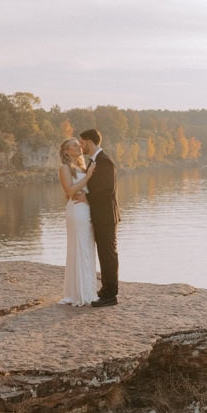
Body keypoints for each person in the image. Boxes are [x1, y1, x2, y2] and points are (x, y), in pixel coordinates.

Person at [79, 128, 120, 307]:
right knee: (104, 254)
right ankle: (105, 290)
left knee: (108, 255)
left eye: (82, 142)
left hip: (106, 216)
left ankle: (111, 295)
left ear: (89, 141)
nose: (81, 146)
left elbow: (107, 190)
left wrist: (86, 198)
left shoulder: (105, 161)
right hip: (98, 216)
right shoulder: (94, 161)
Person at [58, 138, 98, 306]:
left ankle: (88, 291)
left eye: (78, 143)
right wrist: (88, 176)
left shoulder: (84, 166)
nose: (78, 146)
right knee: (79, 247)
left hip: (87, 209)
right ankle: (78, 294)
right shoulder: (65, 168)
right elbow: (70, 191)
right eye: (74, 145)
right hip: (76, 210)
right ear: (67, 151)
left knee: (88, 247)